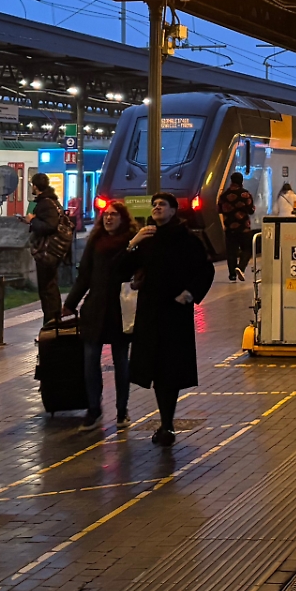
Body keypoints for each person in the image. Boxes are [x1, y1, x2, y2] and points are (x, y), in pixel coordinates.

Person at [125, 193, 214, 446]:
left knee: (168, 372)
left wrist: (190, 294)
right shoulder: (147, 239)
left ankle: (166, 424)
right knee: (153, 368)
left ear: (174, 210)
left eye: (162, 205)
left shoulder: (186, 239)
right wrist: (132, 242)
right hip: (150, 314)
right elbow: (120, 267)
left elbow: (205, 269)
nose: (156, 208)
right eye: (154, 205)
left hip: (174, 315)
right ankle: (166, 423)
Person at [64, 198, 134, 426]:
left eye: (114, 214)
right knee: (90, 360)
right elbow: (84, 276)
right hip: (95, 308)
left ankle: (122, 409)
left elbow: (133, 269)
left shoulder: (131, 244)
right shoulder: (95, 242)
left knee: (121, 362)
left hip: (119, 310)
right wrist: (70, 304)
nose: (109, 218)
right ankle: (93, 407)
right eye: (106, 215)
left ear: (123, 219)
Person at [26, 173, 74, 325]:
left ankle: (51, 323)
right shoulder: (53, 201)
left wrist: (32, 221)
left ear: (35, 186)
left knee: (47, 289)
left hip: (48, 252)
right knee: (50, 287)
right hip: (54, 251)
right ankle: (53, 322)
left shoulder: (45, 203)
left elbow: (49, 226)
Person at [215, 172, 255, 282]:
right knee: (247, 249)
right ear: (241, 181)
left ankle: (232, 275)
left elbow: (219, 210)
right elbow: (251, 210)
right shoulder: (245, 194)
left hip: (229, 228)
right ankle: (240, 267)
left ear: (231, 181)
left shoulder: (223, 195)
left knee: (231, 251)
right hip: (244, 228)